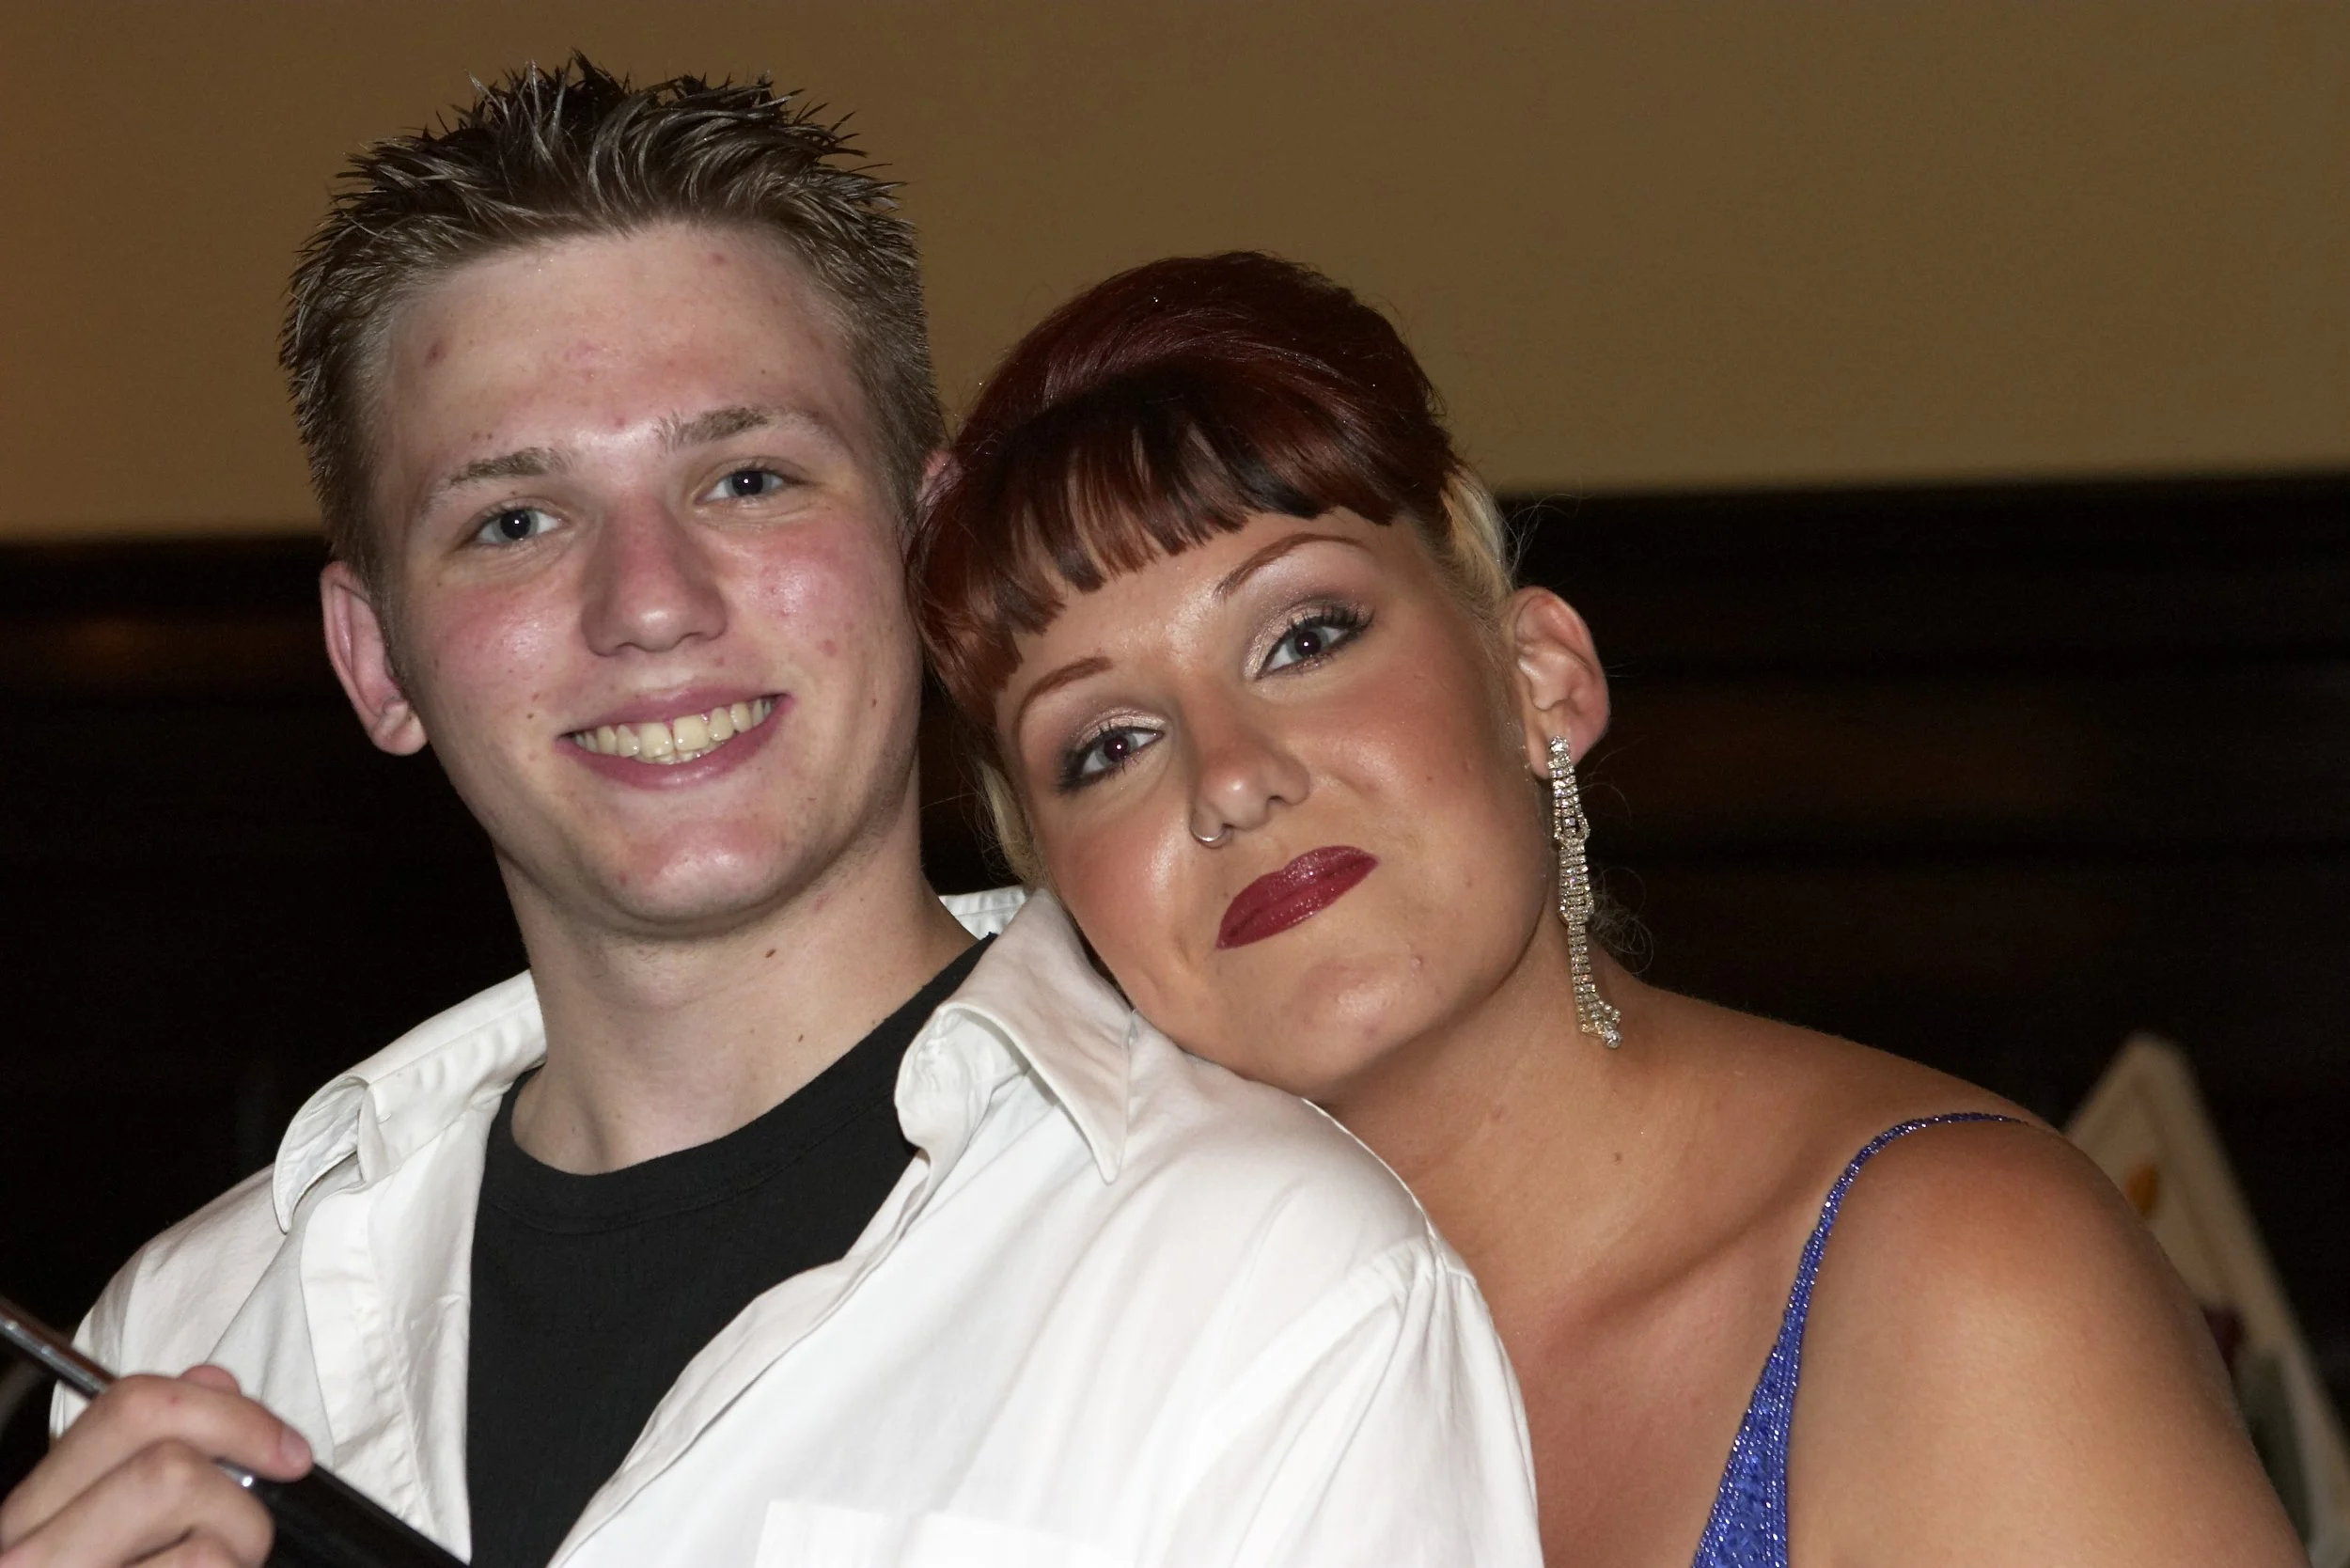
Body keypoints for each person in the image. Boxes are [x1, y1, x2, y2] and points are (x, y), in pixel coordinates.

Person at [0, 70, 1542, 1568]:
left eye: (747, 479)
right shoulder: (191, 1330)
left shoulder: (1269, 1287)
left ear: (921, 551)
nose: (649, 604)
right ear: (376, 660)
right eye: (514, 520)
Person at [913, 250, 2308, 1567]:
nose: (1230, 777)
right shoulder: (1088, 1395)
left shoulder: (1969, 1279)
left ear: (1539, 679)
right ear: (1054, 897)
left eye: (1303, 637)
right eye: (1107, 745)